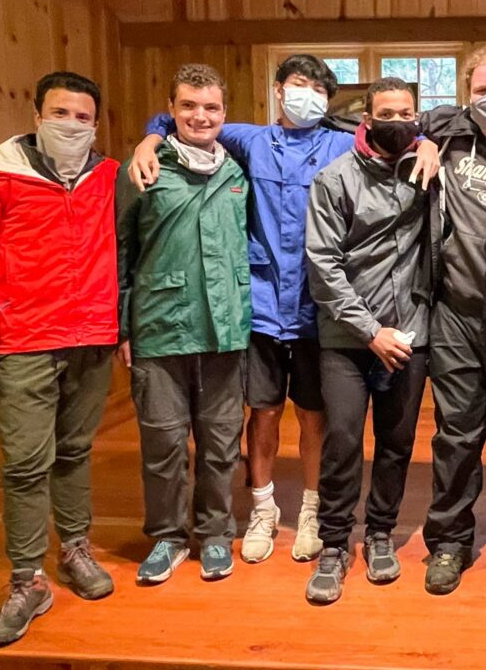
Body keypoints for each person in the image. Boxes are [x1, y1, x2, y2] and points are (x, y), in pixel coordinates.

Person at [126, 55, 353, 564]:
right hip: (261, 308)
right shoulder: (248, 140)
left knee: (315, 416)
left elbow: (396, 133)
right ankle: (262, 509)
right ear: (278, 90)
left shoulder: (341, 142)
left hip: (318, 309)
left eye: (319, 89)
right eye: (299, 85)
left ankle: (312, 510)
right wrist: (151, 137)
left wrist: (425, 143)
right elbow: (188, 120)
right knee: (262, 413)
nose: (308, 96)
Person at [0, 71, 119, 647]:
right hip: (24, 341)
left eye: (83, 116)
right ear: (37, 115)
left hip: (92, 337)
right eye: (60, 113)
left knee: (73, 451)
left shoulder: (109, 176)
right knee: (24, 463)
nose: (71, 124)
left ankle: (74, 549)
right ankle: (26, 580)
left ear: (96, 124)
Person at [116, 64, 252, 586]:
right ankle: (168, 537)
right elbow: (120, 250)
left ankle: (216, 533)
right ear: (171, 111)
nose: (201, 116)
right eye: (189, 106)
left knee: (220, 441)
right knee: (164, 443)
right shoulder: (145, 171)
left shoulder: (237, 173)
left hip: (225, 328)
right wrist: (124, 325)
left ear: (224, 112)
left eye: (211, 107)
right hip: (159, 329)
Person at [304, 77, 432, 606]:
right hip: (348, 338)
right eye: (387, 113)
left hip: (414, 332)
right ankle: (335, 543)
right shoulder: (334, 179)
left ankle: (381, 531)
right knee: (342, 441)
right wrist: (370, 330)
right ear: (367, 118)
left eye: (406, 113)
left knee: (398, 443)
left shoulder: (429, 167)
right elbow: (322, 263)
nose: (397, 121)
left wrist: (431, 145)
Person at [413, 45, 486, 593]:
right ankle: (449, 541)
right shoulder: (448, 135)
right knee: (456, 436)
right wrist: (157, 129)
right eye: (481, 90)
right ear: (466, 96)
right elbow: (363, 121)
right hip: (455, 315)